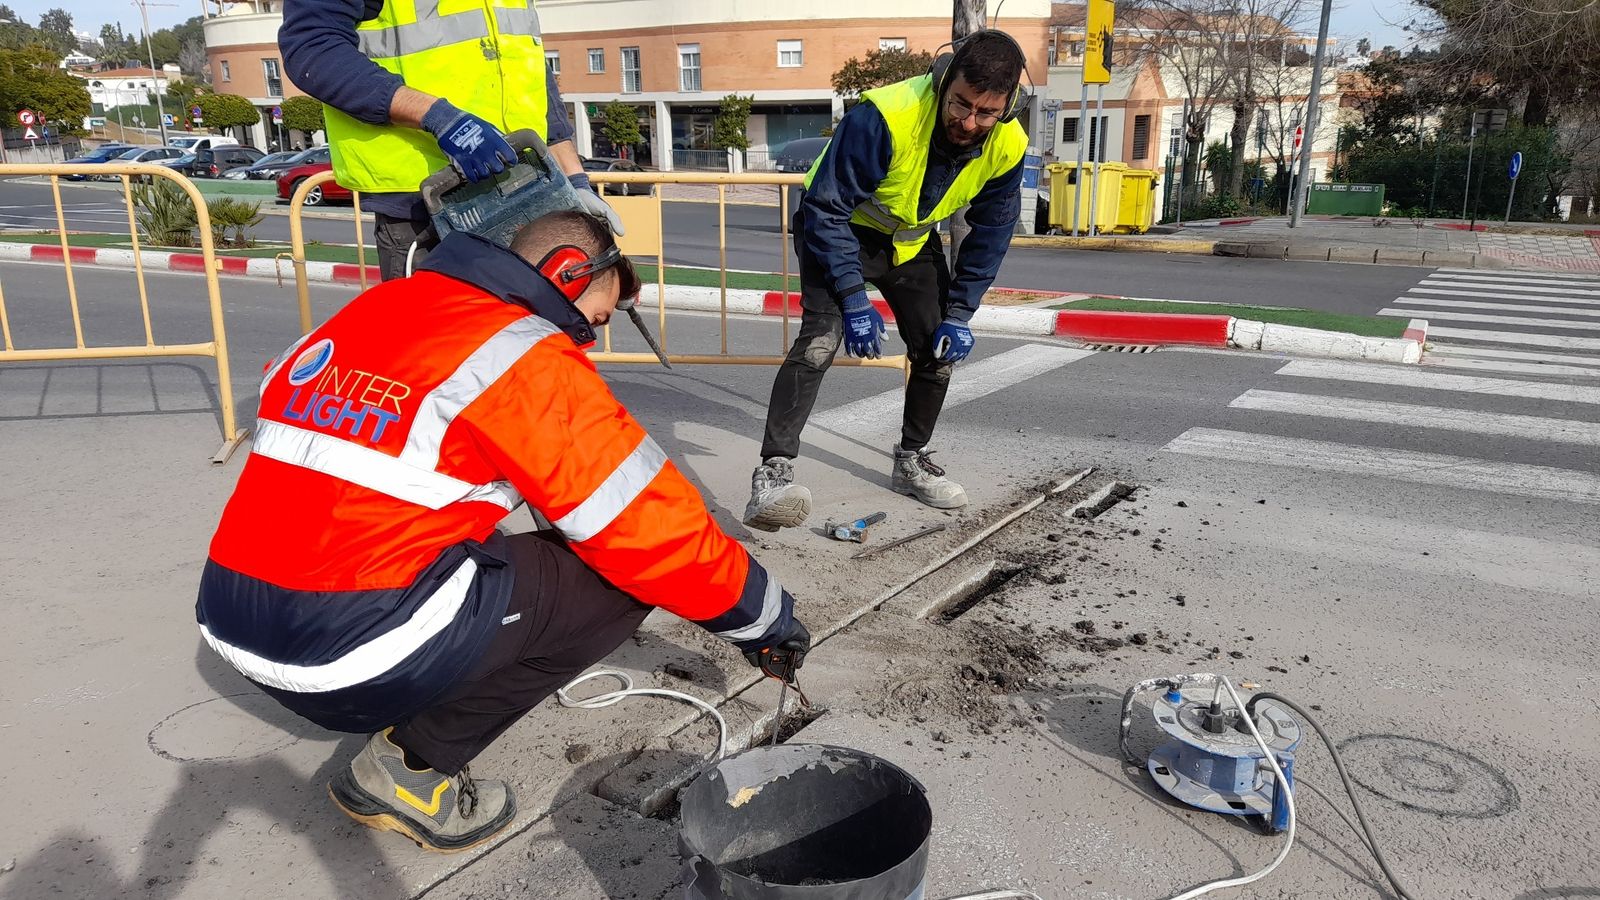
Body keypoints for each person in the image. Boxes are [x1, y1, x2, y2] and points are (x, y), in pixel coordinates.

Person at [196, 210, 810, 853]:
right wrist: (767, 621)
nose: (590, 342)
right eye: (595, 318)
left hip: (230, 618)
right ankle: (411, 771)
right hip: (341, 657)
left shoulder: (379, 307)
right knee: (619, 578)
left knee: (506, 545)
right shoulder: (520, 353)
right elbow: (654, 532)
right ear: (567, 272)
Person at [743, 31, 1030, 531]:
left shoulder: (1008, 142)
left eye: (986, 113)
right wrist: (854, 299)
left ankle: (911, 462)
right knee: (820, 342)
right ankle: (772, 475)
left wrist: (961, 314)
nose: (969, 122)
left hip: (911, 241)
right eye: (960, 104)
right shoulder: (884, 116)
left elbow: (991, 232)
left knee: (939, 349)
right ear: (944, 80)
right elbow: (827, 208)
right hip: (841, 227)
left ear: (1006, 108)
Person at [279, 0, 623, 281]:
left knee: (524, 351)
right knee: (438, 357)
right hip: (427, 209)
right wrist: (438, 118)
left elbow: (529, 68)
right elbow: (313, 48)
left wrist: (573, 180)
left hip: (528, 194)